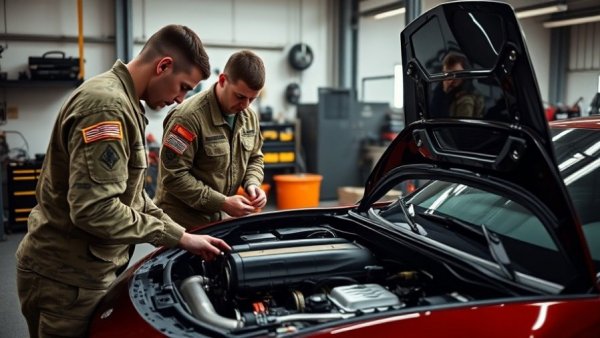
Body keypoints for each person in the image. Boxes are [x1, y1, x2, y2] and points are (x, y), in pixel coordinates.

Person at [15, 24, 231, 338]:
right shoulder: (107, 108)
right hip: (66, 278)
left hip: (83, 271)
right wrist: (176, 237)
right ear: (163, 66)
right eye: (183, 87)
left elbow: (132, 198)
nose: (179, 100)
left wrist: (184, 235)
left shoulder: (124, 104)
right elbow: (96, 210)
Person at [154, 50, 267, 229]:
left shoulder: (249, 118)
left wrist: (252, 183)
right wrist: (222, 202)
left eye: (252, 99)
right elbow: (174, 176)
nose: (245, 105)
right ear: (222, 80)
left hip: (218, 220)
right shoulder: (188, 118)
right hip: (180, 224)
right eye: (240, 96)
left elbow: (255, 157)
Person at [435, 52, 485, 118]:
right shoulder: (440, 90)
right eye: (447, 74)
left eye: (456, 74)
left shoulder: (466, 99)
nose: (451, 80)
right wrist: (444, 91)